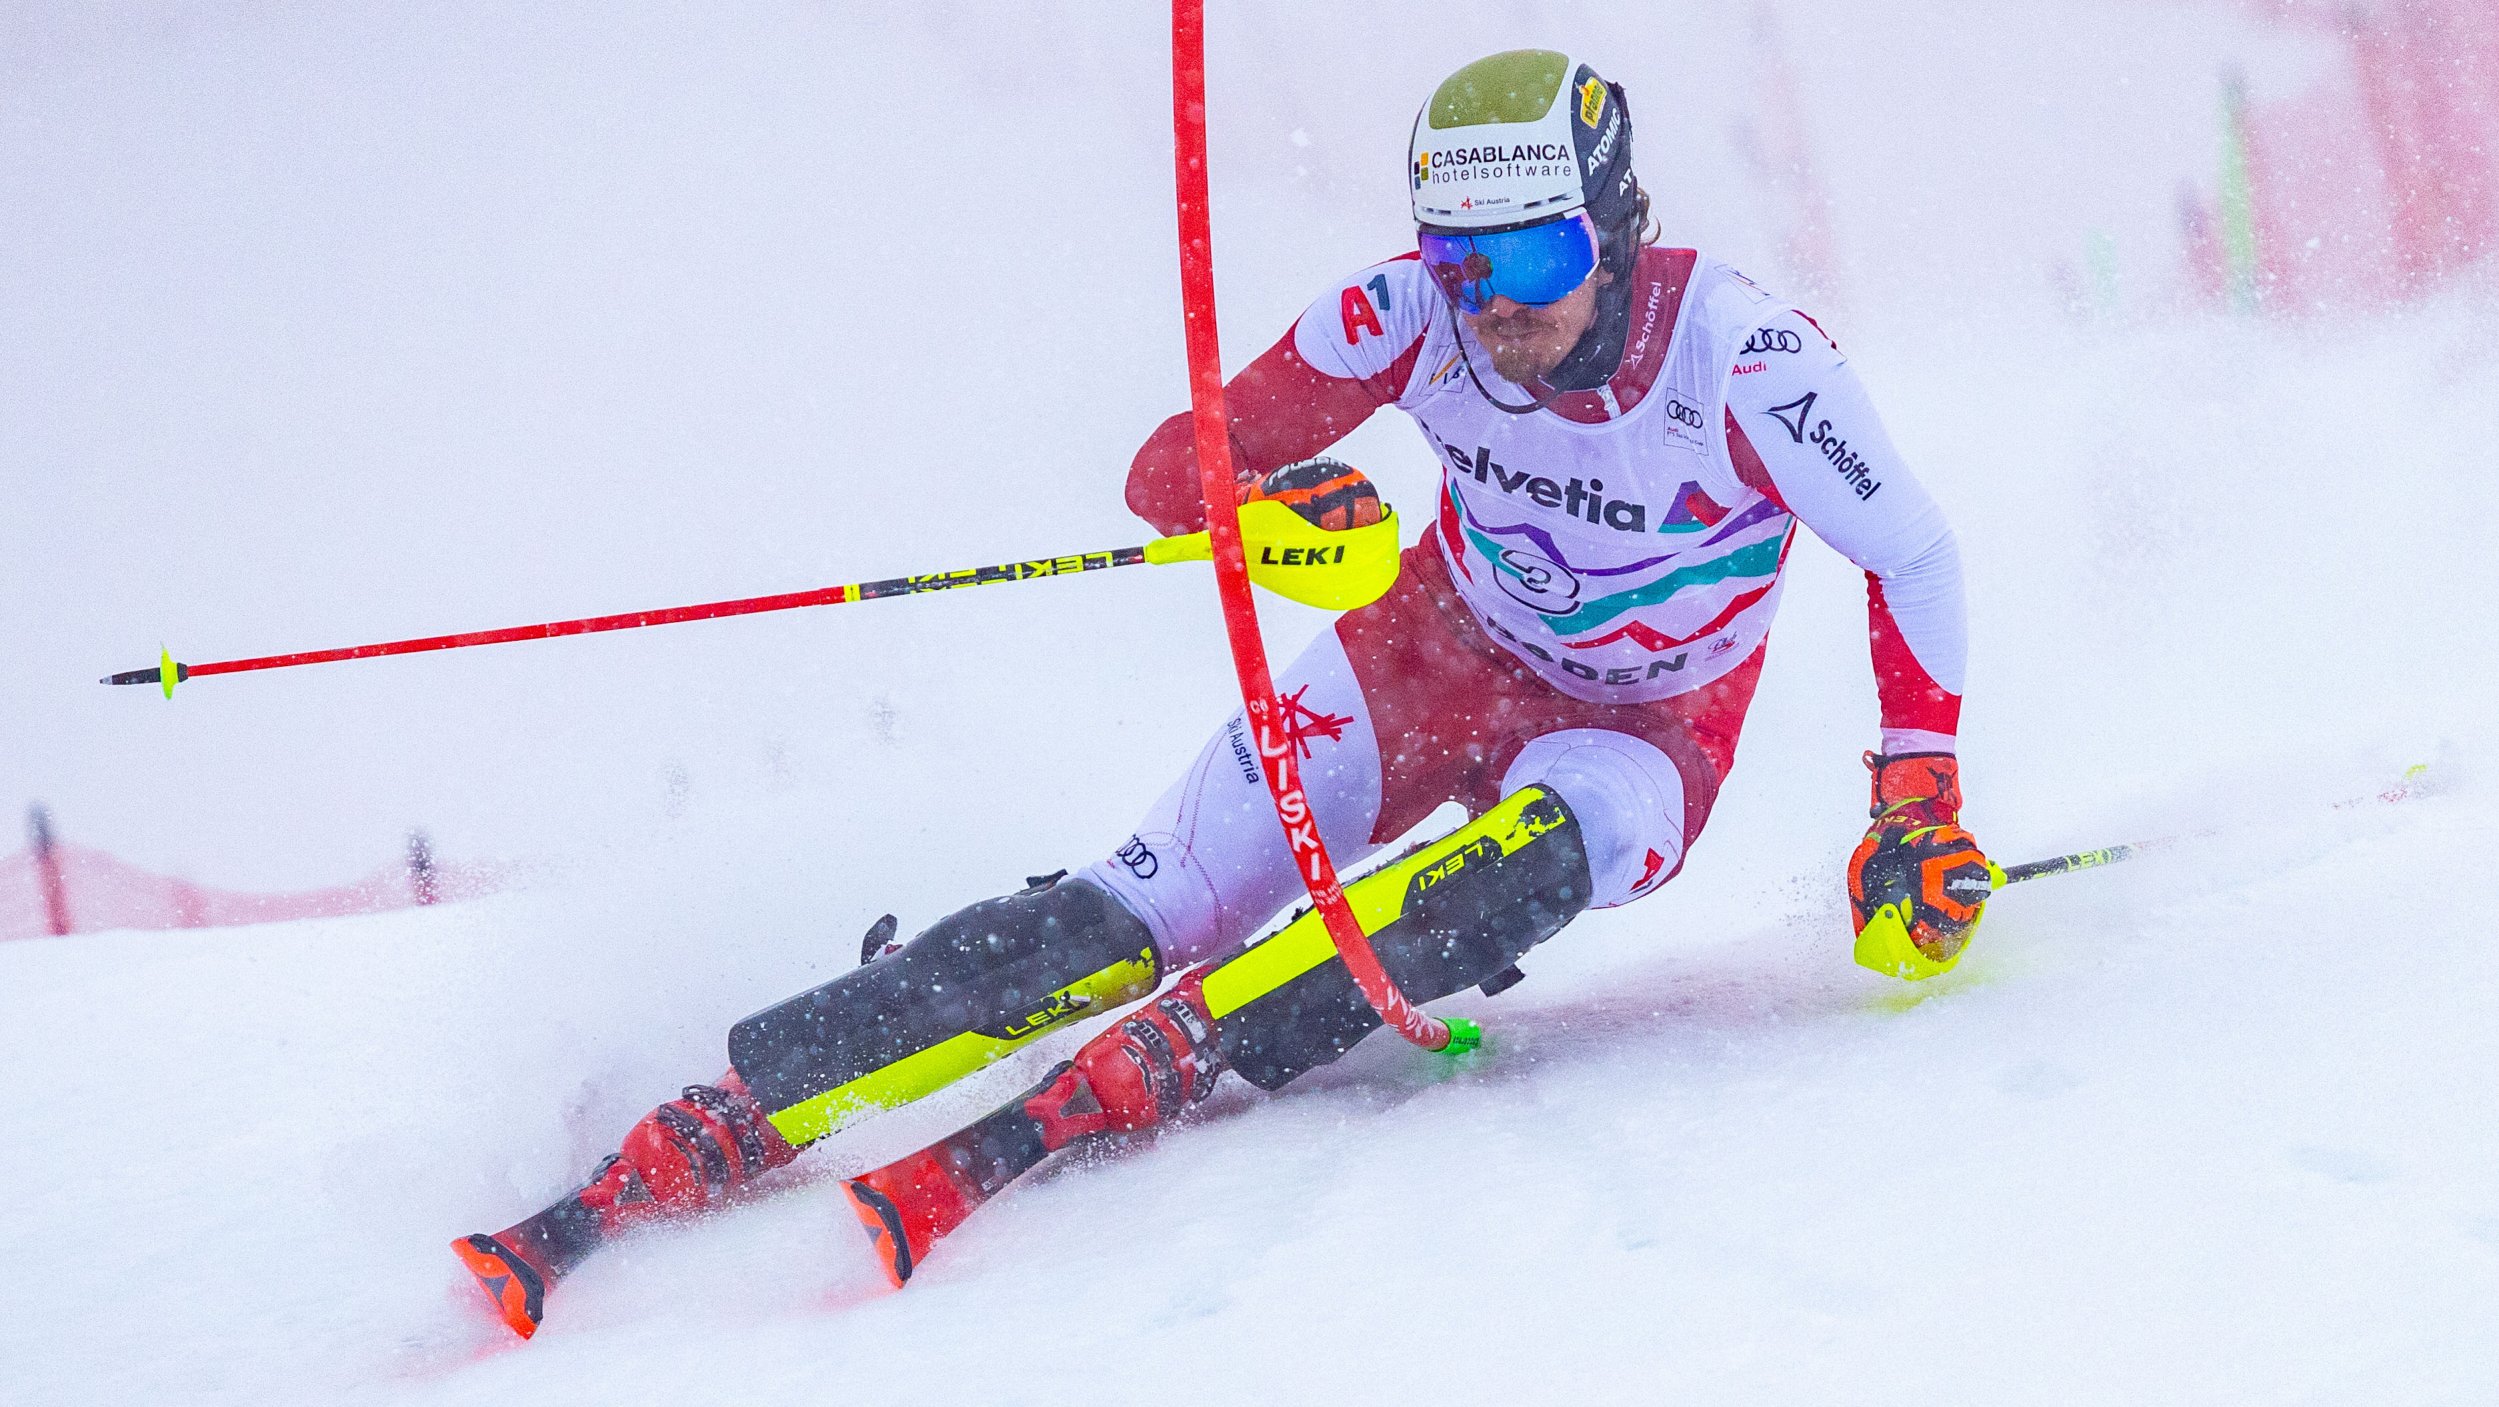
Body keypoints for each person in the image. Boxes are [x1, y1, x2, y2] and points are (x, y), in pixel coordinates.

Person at [453, 48, 1994, 1339]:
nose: (1493, 308)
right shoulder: (1404, 318)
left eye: (1532, 260)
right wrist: (1261, 505)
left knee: (1506, 876)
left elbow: (1913, 555)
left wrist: (1915, 797)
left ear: (1613, 225)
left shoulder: (1746, 359)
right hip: (1430, 658)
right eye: (1460, 263)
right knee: (1131, 919)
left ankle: (1183, 1054)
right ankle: (738, 1105)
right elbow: (1168, 469)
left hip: (1643, 732)